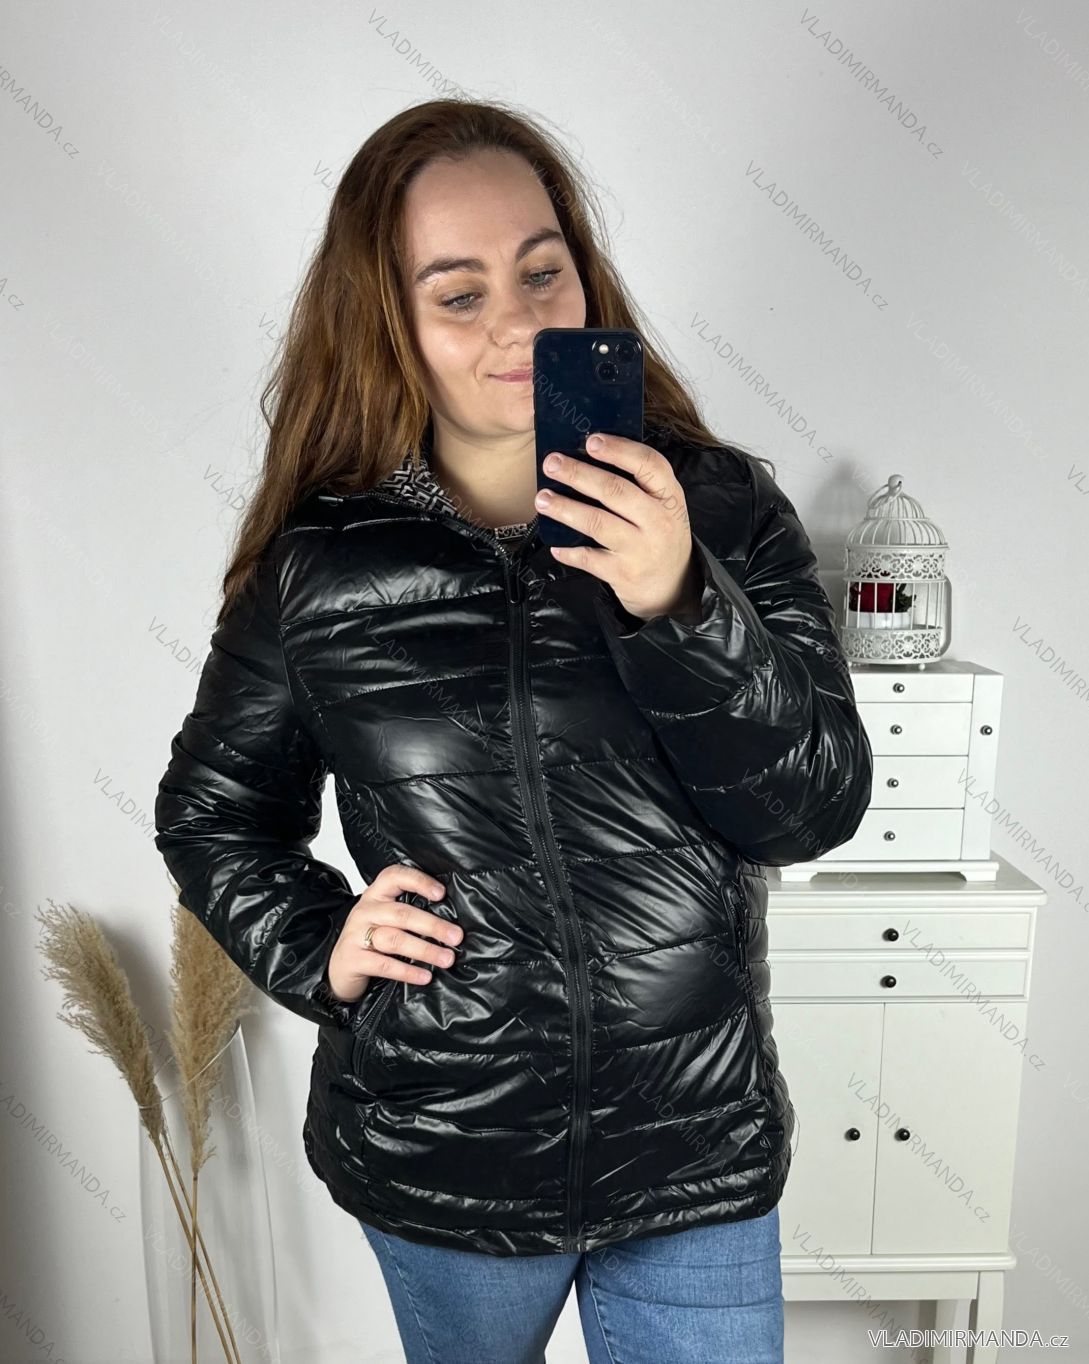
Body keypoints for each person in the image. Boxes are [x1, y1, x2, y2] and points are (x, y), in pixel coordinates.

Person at [153, 96, 873, 1364]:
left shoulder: (717, 508)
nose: (520, 323)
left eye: (544, 272)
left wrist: (680, 599)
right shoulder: (321, 569)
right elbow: (214, 814)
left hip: (692, 1146)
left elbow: (808, 808)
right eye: (460, 293)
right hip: (449, 1152)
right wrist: (323, 943)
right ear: (390, 321)